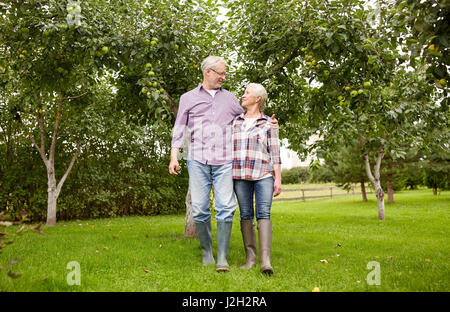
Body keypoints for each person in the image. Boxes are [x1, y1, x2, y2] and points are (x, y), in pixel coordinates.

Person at [232, 83, 282, 275]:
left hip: (263, 174)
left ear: (258, 98)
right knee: (245, 215)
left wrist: (278, 179)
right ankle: (250, 258)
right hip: (240, 175)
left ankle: (265, 262)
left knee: (263, 213)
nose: (243, 95)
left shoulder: (269, 123)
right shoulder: (235, 121)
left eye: (247, 93)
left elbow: (275, 154)